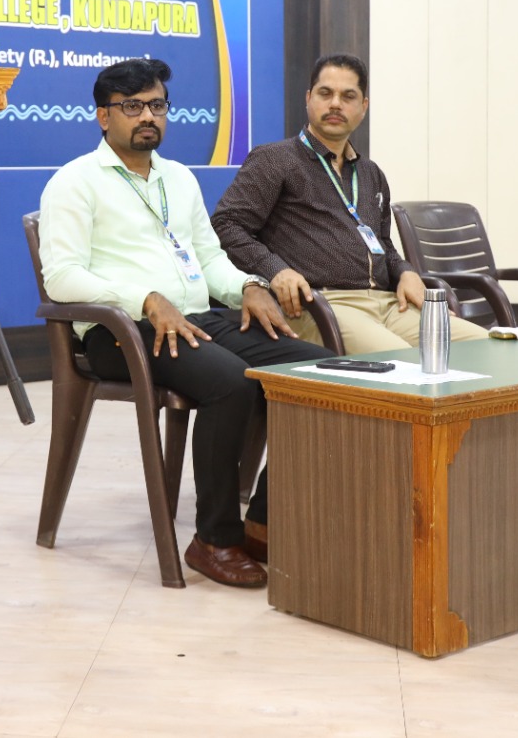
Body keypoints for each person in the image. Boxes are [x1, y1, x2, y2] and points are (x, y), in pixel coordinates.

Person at [37, 58, 329, 588]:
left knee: (317, 371)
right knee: (231, 383)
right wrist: (145, 299)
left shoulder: (179, 178)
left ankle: (262, 520)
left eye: (157, 105)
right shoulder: (74, 182)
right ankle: (213, 540)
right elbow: (61, 277)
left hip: (195, 318)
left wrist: (248, 286)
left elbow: (210, 259)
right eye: (132, 107)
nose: (148, 116)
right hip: (120, 333)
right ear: (104, 116)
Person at [212, 53, 488, 354]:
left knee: (486, 348)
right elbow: (227, 225)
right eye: (325, 93)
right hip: (323, 305)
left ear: (363, 107)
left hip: (388, 304)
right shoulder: (275, 159)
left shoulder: (370, 173)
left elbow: (382, 244)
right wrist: (276, 270)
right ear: (308, 98)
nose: (335, 104)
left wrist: (406, 272)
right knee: (404, 362)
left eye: (348, 96)